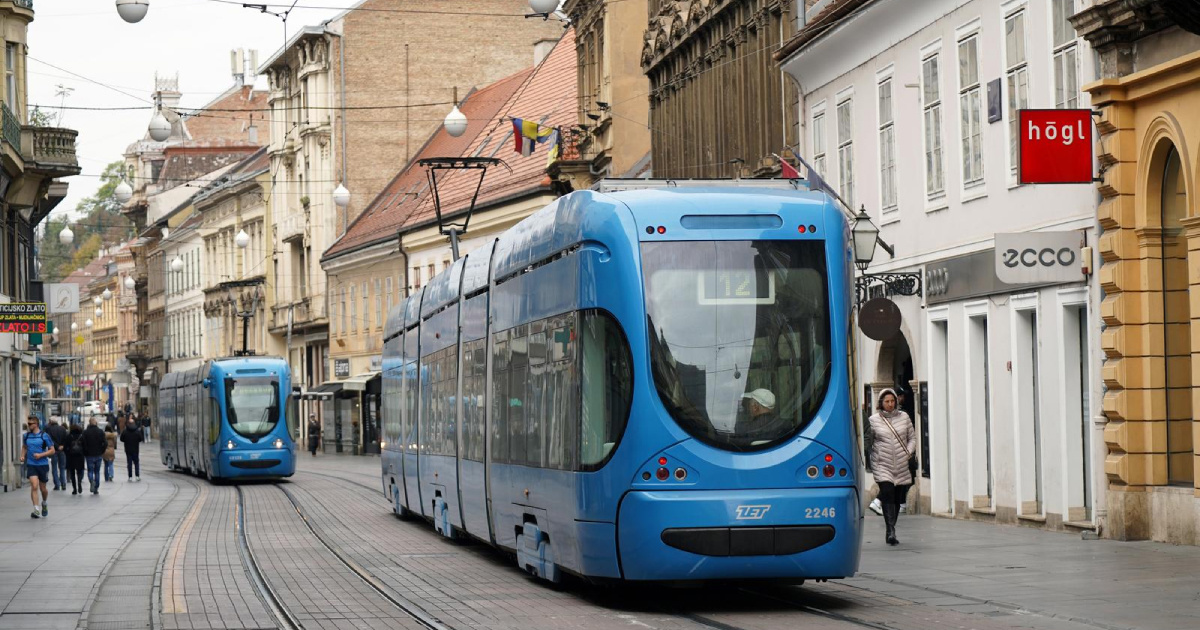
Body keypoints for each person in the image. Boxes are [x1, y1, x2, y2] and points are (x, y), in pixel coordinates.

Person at [866, 388, 917, 546]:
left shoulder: (904, 417)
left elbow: (912, 438)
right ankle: (890, 531)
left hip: (901, 463)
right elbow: (869, 442)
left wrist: (908, 452)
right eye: (886, 401)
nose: (890, 404)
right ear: (881, 403)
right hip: (882, 464)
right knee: (887, 493)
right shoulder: (873, 420)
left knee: (896, 498)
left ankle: (891, 526)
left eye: (892, 401)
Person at [21, 416, 54, 518]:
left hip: (43, 465)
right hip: (31, 464)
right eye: (28, 423)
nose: (29, 425)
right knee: (34, 485)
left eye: (31, 424)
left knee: (43, 488)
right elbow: (25, 447)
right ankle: (36, 509)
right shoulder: (26, 436)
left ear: (36, 424)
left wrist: (41, 455)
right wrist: (22, 455)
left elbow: (52, 450)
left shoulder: (44, 436)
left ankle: (44, 503)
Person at [82, 417, 107, 494]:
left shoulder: (85, 432)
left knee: (90, 470)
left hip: (89, 455)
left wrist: (85, 451)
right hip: (98, 454)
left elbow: (83, 443)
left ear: (89, 423)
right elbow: (105, 443)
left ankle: (91, 481)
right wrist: (102, 451)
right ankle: (96, 488)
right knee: (97, 471)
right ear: (96, 423)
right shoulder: (100, 431)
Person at [46, 417, 68, 492]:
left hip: (54, 450)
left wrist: (56, 446)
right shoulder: (62, 428)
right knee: (62, 468)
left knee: (54, 467)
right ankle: (63, 484)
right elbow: (66, 438)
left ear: (51, 422)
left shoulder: (49, 429)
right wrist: (62, 446)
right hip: (62, 451)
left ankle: (57, 485)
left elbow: (50, 440)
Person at [65, 423, 86, 495]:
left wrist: (67, 453)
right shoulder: (82, 436)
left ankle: (74, 489)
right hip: (80, 457)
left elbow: (65, 447)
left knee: (72, 473)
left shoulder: (68, 436)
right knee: (79, 472)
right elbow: (85, 446)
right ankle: (79, 482)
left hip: (71, 457)